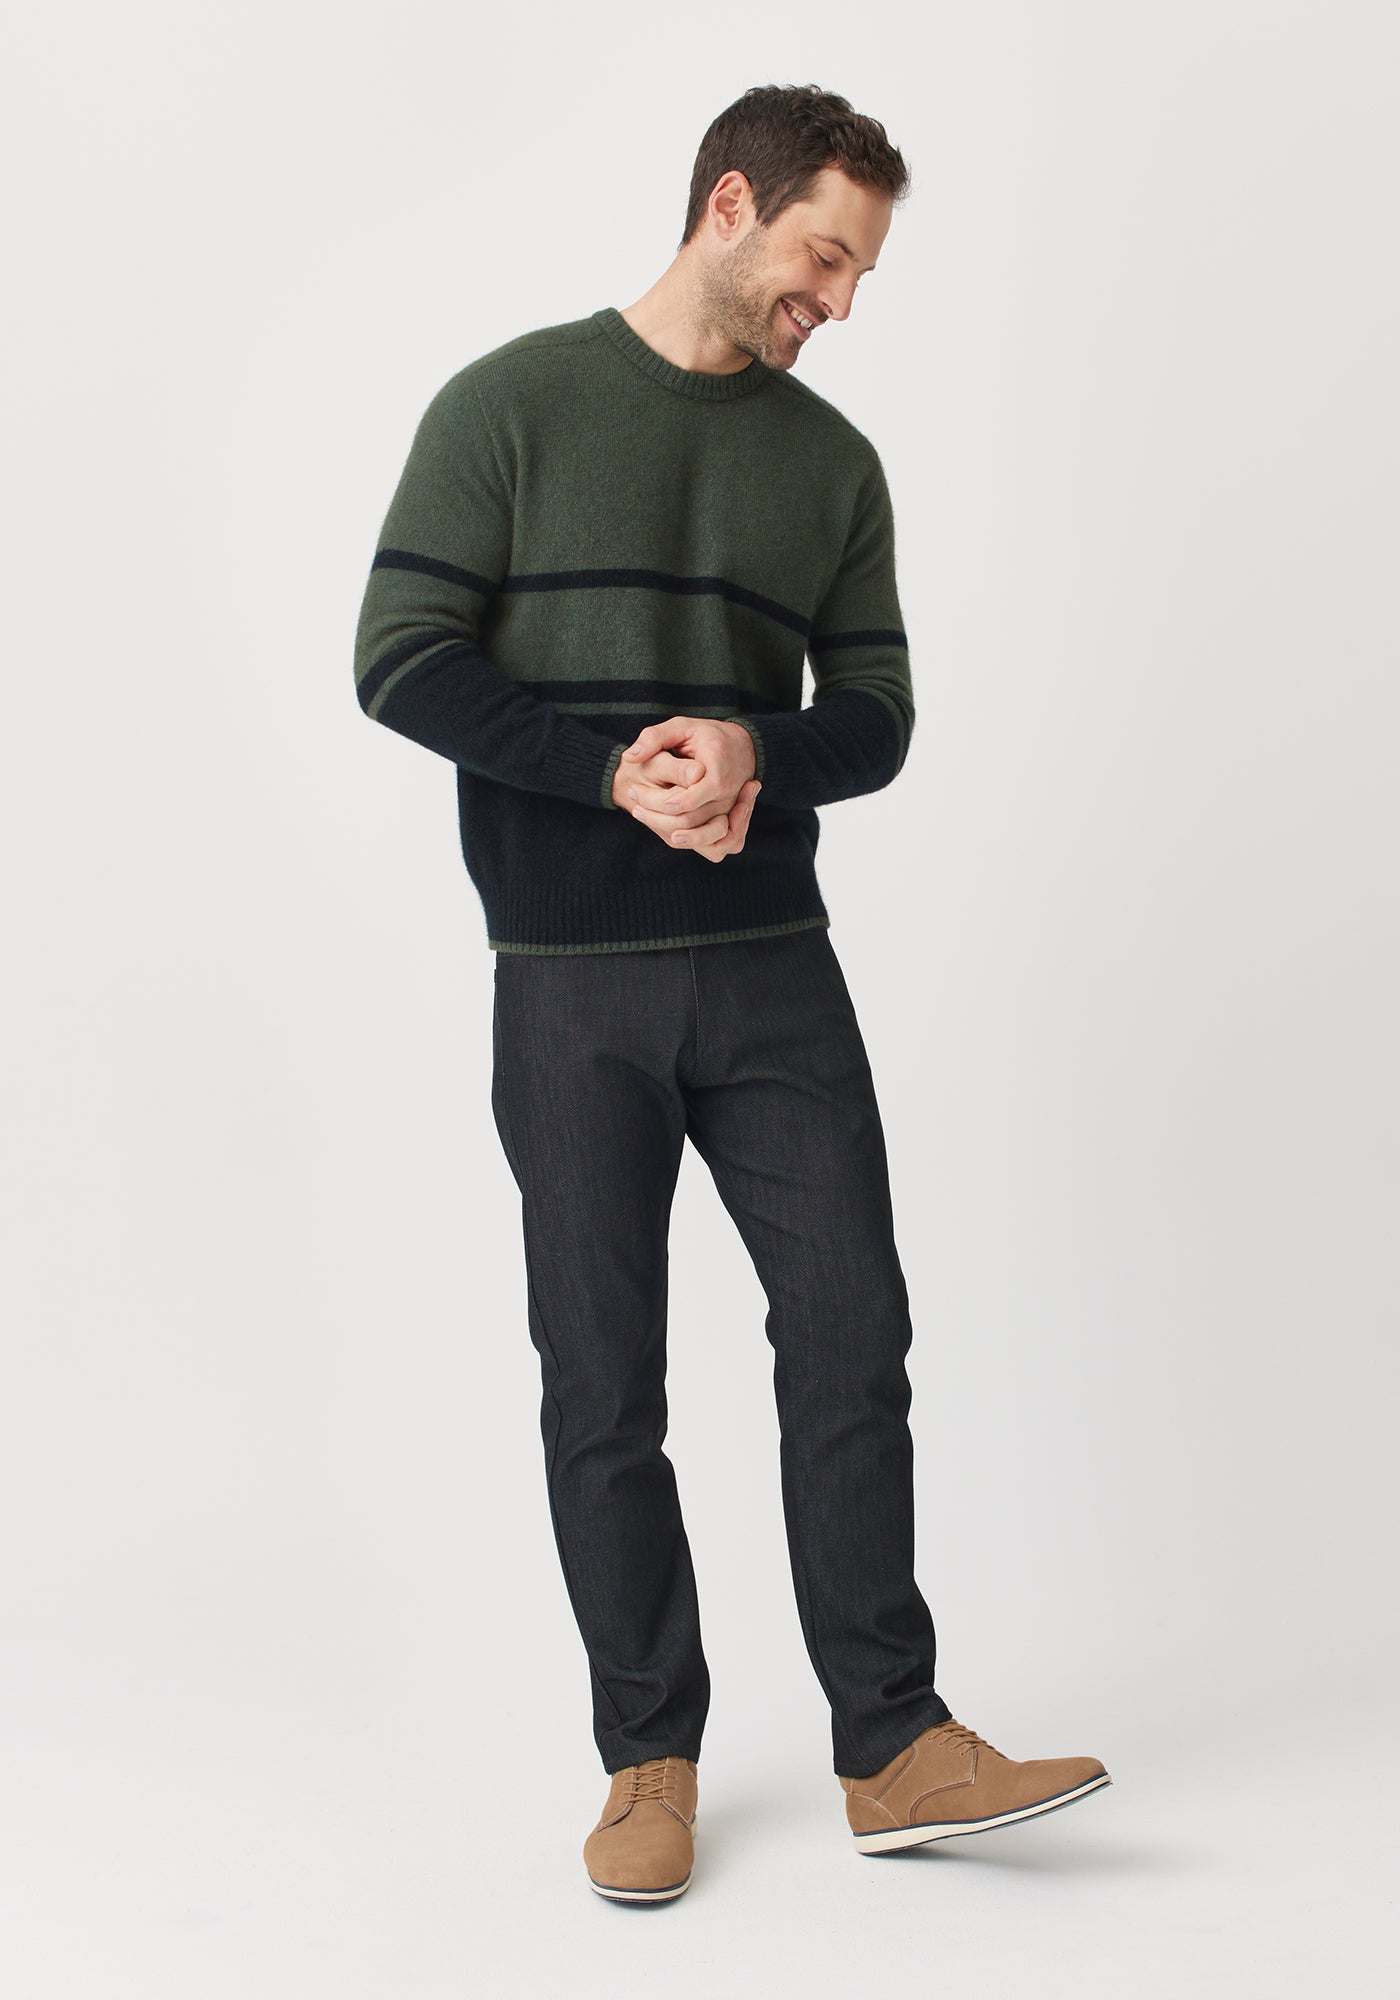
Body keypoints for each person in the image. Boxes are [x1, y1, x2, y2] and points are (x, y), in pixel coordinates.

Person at [353, 82, 1111, 1904]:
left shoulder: (832, 468)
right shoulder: (507, 407)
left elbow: (881, 714)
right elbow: (398, 657)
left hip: (776, 974)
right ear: (728, 207)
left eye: (859, 276)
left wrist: (757, 750)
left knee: (853, 1334)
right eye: (824, 258)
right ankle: (648, 1761)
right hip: (567, 980)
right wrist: (609, 771)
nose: (837, 302)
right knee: (602, 1380)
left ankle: (894, 1743)